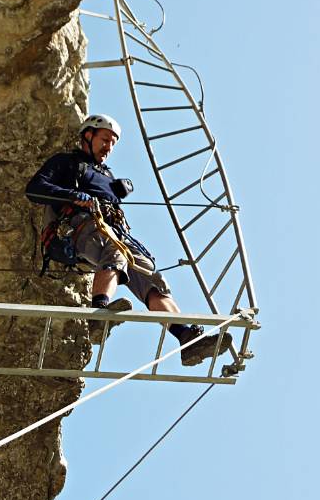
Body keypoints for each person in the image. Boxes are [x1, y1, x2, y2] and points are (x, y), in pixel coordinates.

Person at [25, 114, 231, 366]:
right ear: (87, 136)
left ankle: (186, 337)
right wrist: (72, 195)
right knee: (115, 251)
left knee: (149, 276)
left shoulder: (107, 174)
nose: (109, 147)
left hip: (114, 231)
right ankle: (97, 315)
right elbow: (34, 188)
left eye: (113, 143)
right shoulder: (68, 163)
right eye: (105, 140)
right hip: (80, 227)